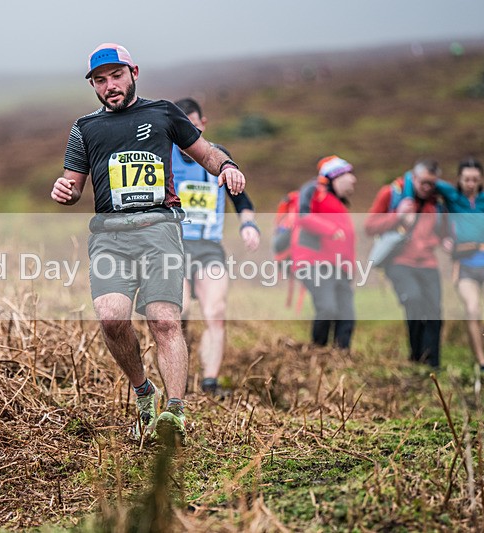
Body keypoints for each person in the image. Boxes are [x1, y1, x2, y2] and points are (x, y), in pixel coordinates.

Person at [51, 43, 247, 445]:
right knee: (112, 319)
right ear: (93, 86)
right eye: (100, 80)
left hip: (160, 229)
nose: (110, 86)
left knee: (164, 321)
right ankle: (144, 392)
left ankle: (175, 412)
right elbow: (73, 185)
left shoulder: (163, 113)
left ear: (134, 73)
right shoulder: (84, 128)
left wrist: (227, 166)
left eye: (116, 76)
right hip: (109, 235)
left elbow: (205, 153)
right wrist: (65, 191)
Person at [170, 97, 260, 397]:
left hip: (209, 248)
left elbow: (242, 200)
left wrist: (249, 225)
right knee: (178, 311)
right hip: (173, 247)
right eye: (181, 130)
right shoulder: (164, 157)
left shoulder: (219, 157)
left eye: (193, 128)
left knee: (216, 311)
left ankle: (210, 383)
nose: (187, 136)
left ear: (203, 124)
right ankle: (176, 379)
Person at [364, 160, 449, 369]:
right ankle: (416, 357)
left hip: (428, 263)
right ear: (414, 177)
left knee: (434, 312)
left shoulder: (437, 201)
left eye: (431, 183)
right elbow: (369, 226)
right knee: (413, 300)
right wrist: (398, 216)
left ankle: (433, 364)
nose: (427, 187)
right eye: (423, 182)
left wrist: (445, 240)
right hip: (399, 262)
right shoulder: (392, 193)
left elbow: (443, 230)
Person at [432, 159, 484, 375]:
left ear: (481, 179)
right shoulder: (452, 197)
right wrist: (444, 239)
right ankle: (482, 361)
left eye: (475, 179)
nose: (470, 184)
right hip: (465, 264)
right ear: (459, 179)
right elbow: (425, 179)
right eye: (466, 179)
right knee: (473, 309)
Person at [291, 156, 358, 349]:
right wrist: (330, 229)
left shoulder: (339, 203)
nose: (353, 179)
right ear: (335, 177)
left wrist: (349, 269)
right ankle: (318, 352)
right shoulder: (314, 190)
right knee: (327, 308)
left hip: (339, 267)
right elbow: (302, 216)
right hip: (314, 264)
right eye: (348, 174)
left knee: (347, 315)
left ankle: (341, 356)